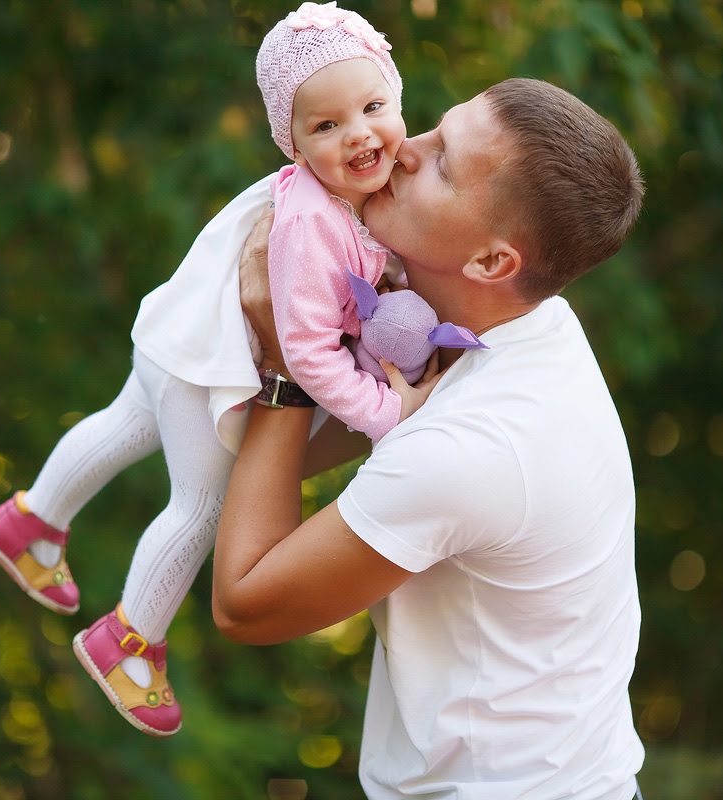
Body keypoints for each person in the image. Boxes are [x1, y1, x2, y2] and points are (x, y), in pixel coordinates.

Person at [0, 2, 427, 738]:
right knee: (203, 506)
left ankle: (29, 520)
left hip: (171, 336)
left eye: (374, 107)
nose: (359, 134)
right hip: (204, 363)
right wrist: (383, 414)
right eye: (326, 126)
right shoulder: (314, 221)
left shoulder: (340, 200)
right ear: (295, 143)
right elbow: (307, 353)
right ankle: (126, 642)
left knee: (123, 425)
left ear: (396, 100)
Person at [213, 77, 648, 799]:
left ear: (490, 262)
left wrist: (287, 368)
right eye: (432, 129)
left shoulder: (469, 447)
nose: (400, 148)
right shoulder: (523, 331)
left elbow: (245, 604)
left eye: (442, 161)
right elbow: (279, 461)